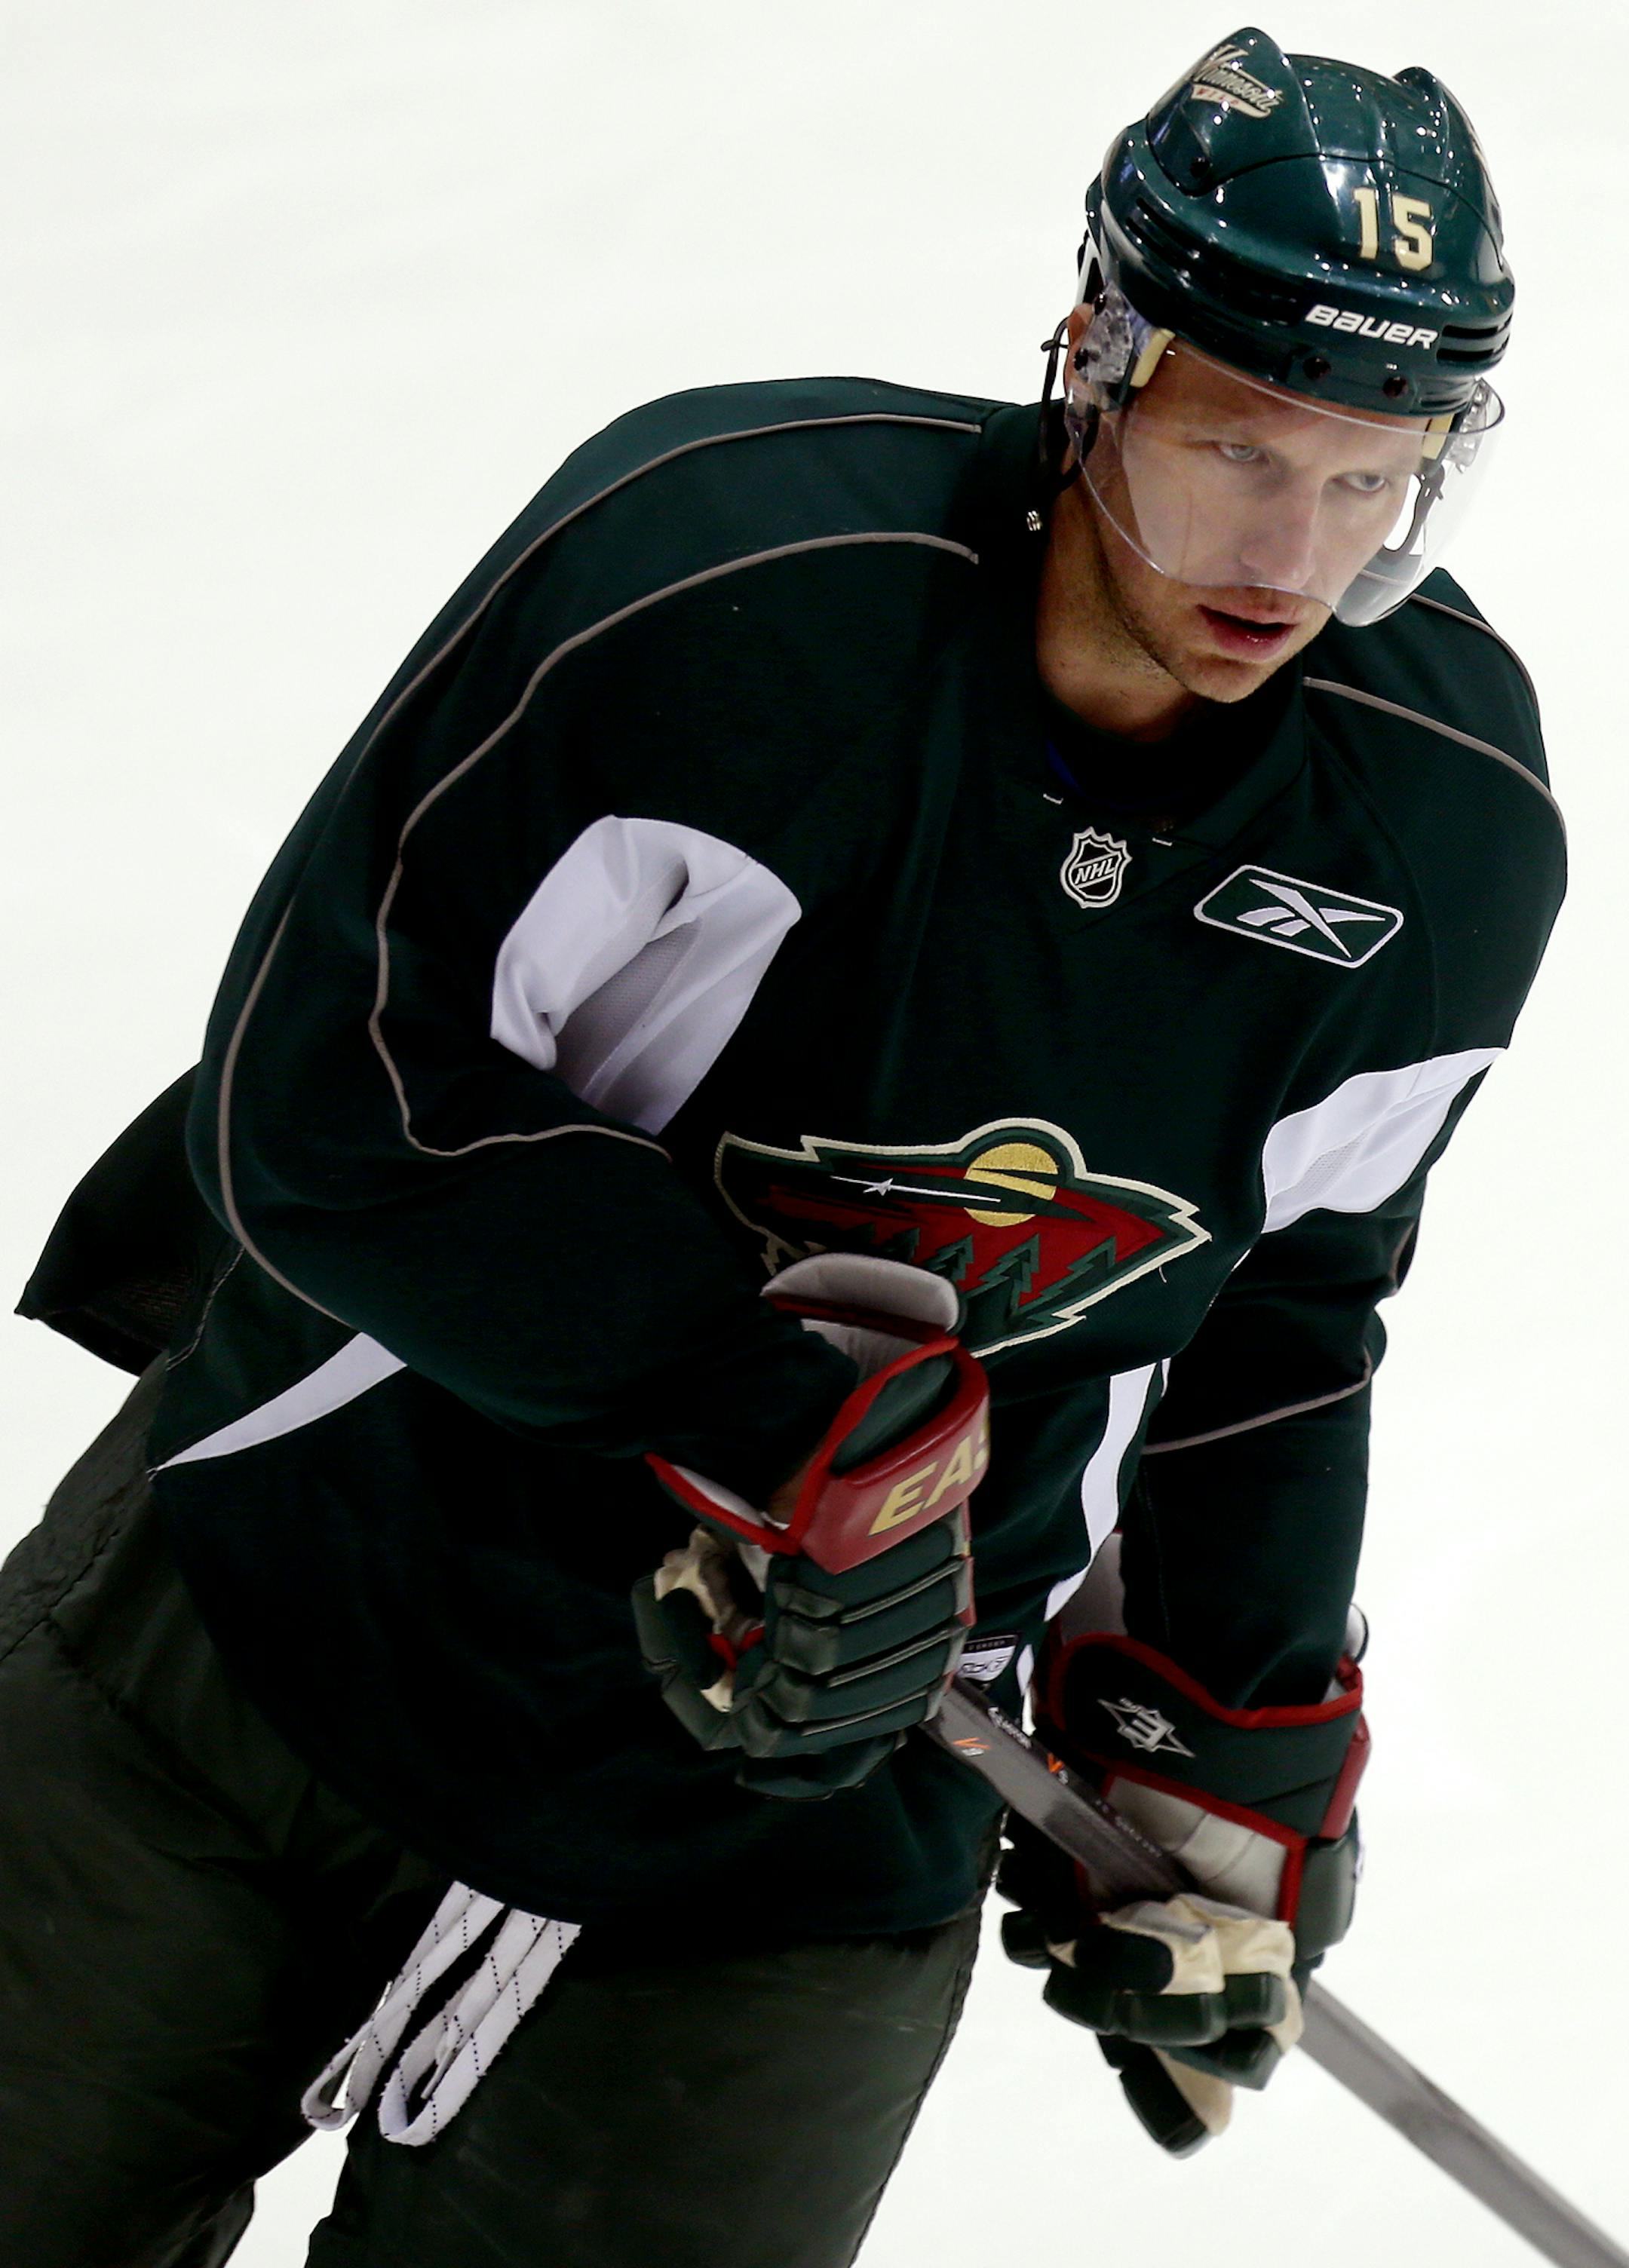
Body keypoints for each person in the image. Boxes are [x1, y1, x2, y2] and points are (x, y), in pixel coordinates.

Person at [0, 25, 1563, 2266]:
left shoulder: (1437, 827)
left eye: (1373, 477)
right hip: (295, 1624)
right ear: (1096, 360)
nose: (1294, 555)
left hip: (807, 1823)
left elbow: (1290, 1303)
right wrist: (764, 1419)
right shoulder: (727, 595)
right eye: (1240, 451)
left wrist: (1219, 1729)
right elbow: (330, 1097)